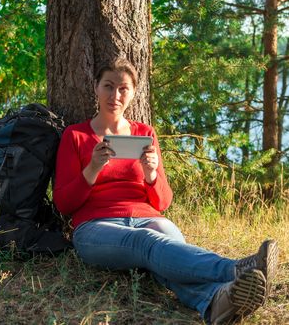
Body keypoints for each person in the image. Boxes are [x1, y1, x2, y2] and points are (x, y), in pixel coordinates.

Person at [53, 57, 279, 324]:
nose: (115, 95)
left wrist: (150, 174)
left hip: (148, 216)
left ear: (134, 93)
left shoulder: (145, 133)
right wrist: (92, 168)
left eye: (123, 88)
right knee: (149, 242)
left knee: (165, 250)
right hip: (97, 226)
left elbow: (163, 201)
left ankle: (218, 301)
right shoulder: (75, 135)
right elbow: (64, 204)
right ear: (96, 87)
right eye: (108, 86)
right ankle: (234, 268)